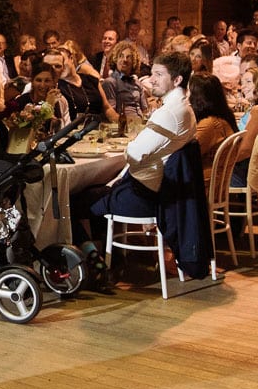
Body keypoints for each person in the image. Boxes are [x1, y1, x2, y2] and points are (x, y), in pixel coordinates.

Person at [70, 51, 196, 246]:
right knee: (96, 190)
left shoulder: (168, 113)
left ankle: (94, 257)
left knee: (70, 202)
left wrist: (134, 145)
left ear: (177, 79)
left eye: (159, 75)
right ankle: (108, 253)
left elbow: (134, 154)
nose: (151, 80)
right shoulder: (185, 108)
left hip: (146, 196)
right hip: (161, 191)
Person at [188, 73, 236, 180]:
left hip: (202, 185)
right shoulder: (224, 116)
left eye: (188, 92)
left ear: (198, 98)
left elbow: (187, 156)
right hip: (214, 181)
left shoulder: (209, 125)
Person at [98, 41, 147, 126]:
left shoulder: (137, 84)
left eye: (129, 57)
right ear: (115, 59)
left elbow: (145, 110)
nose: (125, 60)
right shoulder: (110, 82)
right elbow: (110, 114)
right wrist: (127, 125)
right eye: (121, 56)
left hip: (140, 126)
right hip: (122, 128)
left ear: (134, 61)